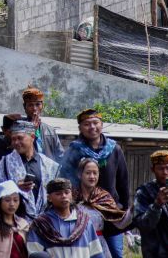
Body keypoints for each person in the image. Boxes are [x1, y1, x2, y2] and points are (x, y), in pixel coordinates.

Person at [60, 109, 129, 258]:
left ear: (101, 125)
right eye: (87, 124)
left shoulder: (114, 149)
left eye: (95, 123)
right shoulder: (75, 150)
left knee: (116, 252)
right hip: (83, 212)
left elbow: (123, 180)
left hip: (110, 210)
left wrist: (122, 206)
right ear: (80, 128)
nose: (92, 127)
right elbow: (64, 180)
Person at [0, 120, 61, 220]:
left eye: (20, 138)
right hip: (15, 223)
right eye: (13, 139)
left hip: (45, 222)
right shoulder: (4, 164)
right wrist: (15, 188)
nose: (16, 142)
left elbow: (56, 193)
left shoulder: (48, 164)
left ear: (32, 137)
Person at [26, 178, 105, 258]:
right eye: (58, 194)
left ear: (71, 195)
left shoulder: (84, 222)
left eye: (67, 193)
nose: (64, 196)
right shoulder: (41, 224)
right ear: (49, 198)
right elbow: (34, 253)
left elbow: (96, 252)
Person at [75, 158, 132, 258]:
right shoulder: (72, 196)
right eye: (88, 173)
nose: (92, 176)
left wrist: (133, 210)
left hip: (98, 245)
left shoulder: (103, 197)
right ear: (80, 174)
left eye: (95, 173)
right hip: (77, 244)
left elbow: (120, 221)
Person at [6, 87, 65, 162]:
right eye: (30, 105)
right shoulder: (17, 128)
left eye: (37, 104)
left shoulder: (49, 130)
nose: (34, 108)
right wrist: (31, 129)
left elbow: (60, 155)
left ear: (42, 106)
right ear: (25, 107)